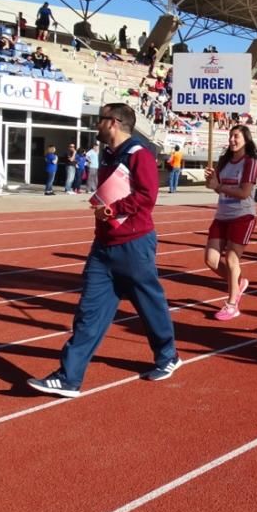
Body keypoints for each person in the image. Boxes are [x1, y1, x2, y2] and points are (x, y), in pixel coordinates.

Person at [27, 103, 182, 397]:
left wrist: (113, 210)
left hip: (134, 245)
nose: (96, 125)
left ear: (113, 123)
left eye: (100, 120)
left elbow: (148, 197)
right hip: (103, 247)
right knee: (88, 312)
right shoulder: (110, 155)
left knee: (150, 306)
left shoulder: (139, 155)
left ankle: (168, 355)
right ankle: (69, 377)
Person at [204, 125, 257, 321]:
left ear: (246, 139)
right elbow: (214, 186)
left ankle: (232, 303)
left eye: (236, 136)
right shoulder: (224, 160)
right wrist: (210, 180)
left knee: (231, 259)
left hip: (242, 215)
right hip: (222, 215)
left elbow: (244, 192)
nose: (232, 140)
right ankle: (238, 282)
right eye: (230, 136)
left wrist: (218, 186)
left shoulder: (250, 162)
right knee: (210, 259)